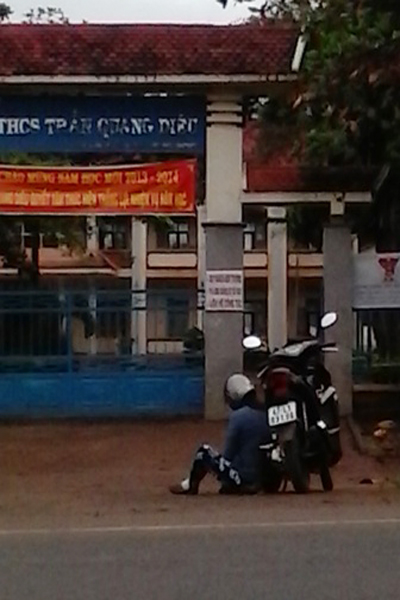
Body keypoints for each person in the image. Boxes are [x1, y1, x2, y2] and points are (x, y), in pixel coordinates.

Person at [169, 374, 272, 495]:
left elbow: (228, 454)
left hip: (243, 479)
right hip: (263, 480)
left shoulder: (238, 417)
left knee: (204, 452)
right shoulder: (266, 414)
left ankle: (189, 485)